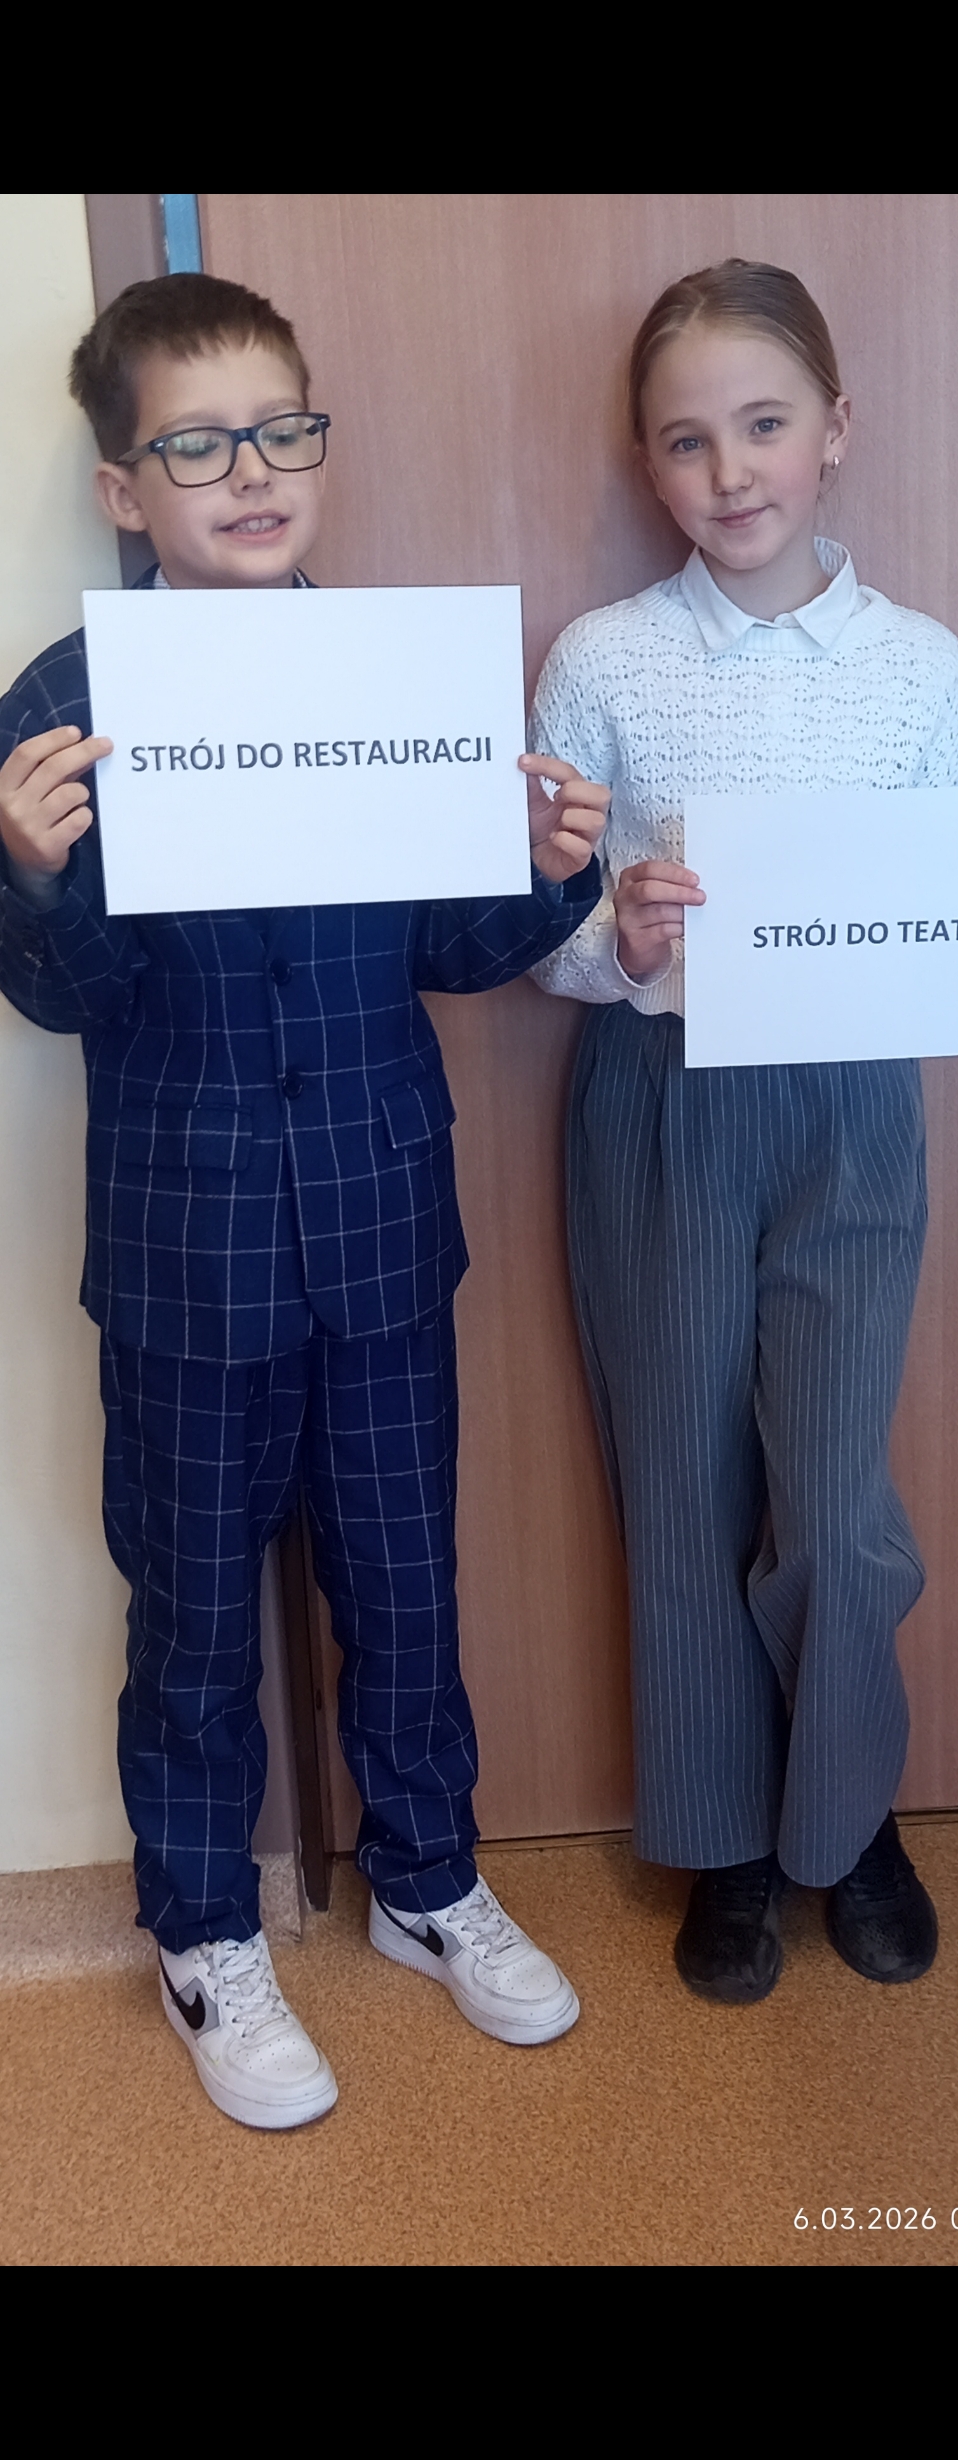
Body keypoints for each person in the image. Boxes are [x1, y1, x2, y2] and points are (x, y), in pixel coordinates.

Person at [0, 272, 607, 2127]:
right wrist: (34, 879)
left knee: (407, 1586)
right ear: (125, 488)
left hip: (382, 1225)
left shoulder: (401, 678)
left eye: (281, 430)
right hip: (186, 1247)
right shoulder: (63, 707)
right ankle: (206, 1932)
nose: (251, 471)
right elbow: (63, 1002)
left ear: (318, 445)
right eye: (197, 445)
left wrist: (548, 872)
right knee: (192, 1616)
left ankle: (428, 1881)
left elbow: (452, 945)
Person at [530, 256, 958, 2004]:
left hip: (852, 1111)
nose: (730, 470)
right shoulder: (603, 658)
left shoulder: (920, 665)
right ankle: (725, 1836)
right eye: (686, 440)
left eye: (763, 425)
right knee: (682, 1486)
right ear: (646, 461)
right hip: (661, 1107)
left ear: (836, 431)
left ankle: (847, 1812)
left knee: (835, 1500)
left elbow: (945, 923)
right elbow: (538, 933)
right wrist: (622, 939)